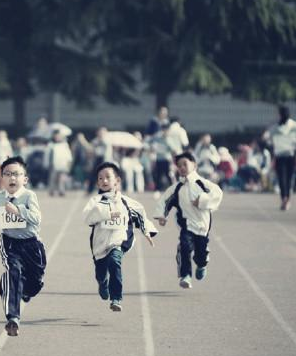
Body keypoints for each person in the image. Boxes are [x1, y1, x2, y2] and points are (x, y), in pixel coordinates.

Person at [0, 156, 46, 337]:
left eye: (16, 174)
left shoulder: (29, 196)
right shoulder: (0, 196)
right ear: (2, 179)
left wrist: (19, 211)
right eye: (7, 174)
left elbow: (37, 218)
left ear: (25, 179)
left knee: (35, 283)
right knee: (13, 271)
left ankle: (18, 288)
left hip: (32, 244)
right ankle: (13, 317)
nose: (12, 178)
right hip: (10, 243)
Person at [82, 162, 157, 312]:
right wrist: (106, 213)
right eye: (100, 178)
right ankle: (103, 284)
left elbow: (140, 215)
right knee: (101, 273)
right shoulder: (95, 201)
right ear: (97, 182)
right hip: (99, 244)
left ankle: (116, 298)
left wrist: (147, 231)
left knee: (115, 261)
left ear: (117, 180)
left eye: (107, 177)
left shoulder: (126, 202)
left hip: (119, 240)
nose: (104, 181)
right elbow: (88, 218)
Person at [153, 152, 223, 289]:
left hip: (202, 225)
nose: (182, 167)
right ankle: (186, 275)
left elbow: (218, 194)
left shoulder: (203, 183)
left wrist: (202, 201)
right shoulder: (177, 187)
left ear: (194, 165)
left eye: (185, 164)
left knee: (200, 254)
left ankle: (202, 264)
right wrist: (162, 215)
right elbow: (165, 200)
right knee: (185, 246)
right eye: (179, 166)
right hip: (186, 225)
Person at [265, 105, 296, 210]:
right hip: (289, 155)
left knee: (283, 178)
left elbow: (266, 138)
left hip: (283, 155)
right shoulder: (293, 125)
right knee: (287, 179)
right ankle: (286, 199)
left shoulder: (276, 127)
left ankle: (285, 198)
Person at [46, 130, 73, 197]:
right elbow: (48, 155)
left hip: (63, 164)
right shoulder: (51, 145)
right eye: (56, 136)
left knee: (62, 179)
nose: (58, 137)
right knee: (53, 178)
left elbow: (68, 155)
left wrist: (68, 164)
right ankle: (51, 190)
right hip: (54, 164)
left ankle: (61, 190)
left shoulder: (65, 145)